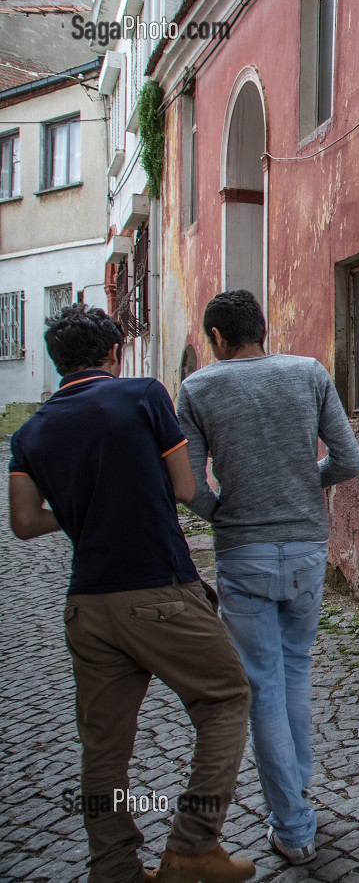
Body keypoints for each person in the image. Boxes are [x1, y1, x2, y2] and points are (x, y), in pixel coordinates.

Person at [7, 305, 254, 883]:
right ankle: (193, 842)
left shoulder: (31, 432)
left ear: (58, 362)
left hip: (88, 605)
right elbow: (186, 486)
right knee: (225, 699)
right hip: (157, 587)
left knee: (104, 748)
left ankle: (114, 867)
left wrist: (80, 511)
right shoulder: (142, 395)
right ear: (114, 352)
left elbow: (24, 522)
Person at [176, 290, 359, 866]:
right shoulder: (307, 373)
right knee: (296, 670)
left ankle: (293, 824)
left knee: (262, 686)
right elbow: (349, 460)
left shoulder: (198, 389)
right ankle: (297, 792)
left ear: (216, 338)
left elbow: (191, 486)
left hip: (244, 552)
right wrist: (308, 482)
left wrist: (223, 511)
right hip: (305, 546)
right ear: (263, 328)